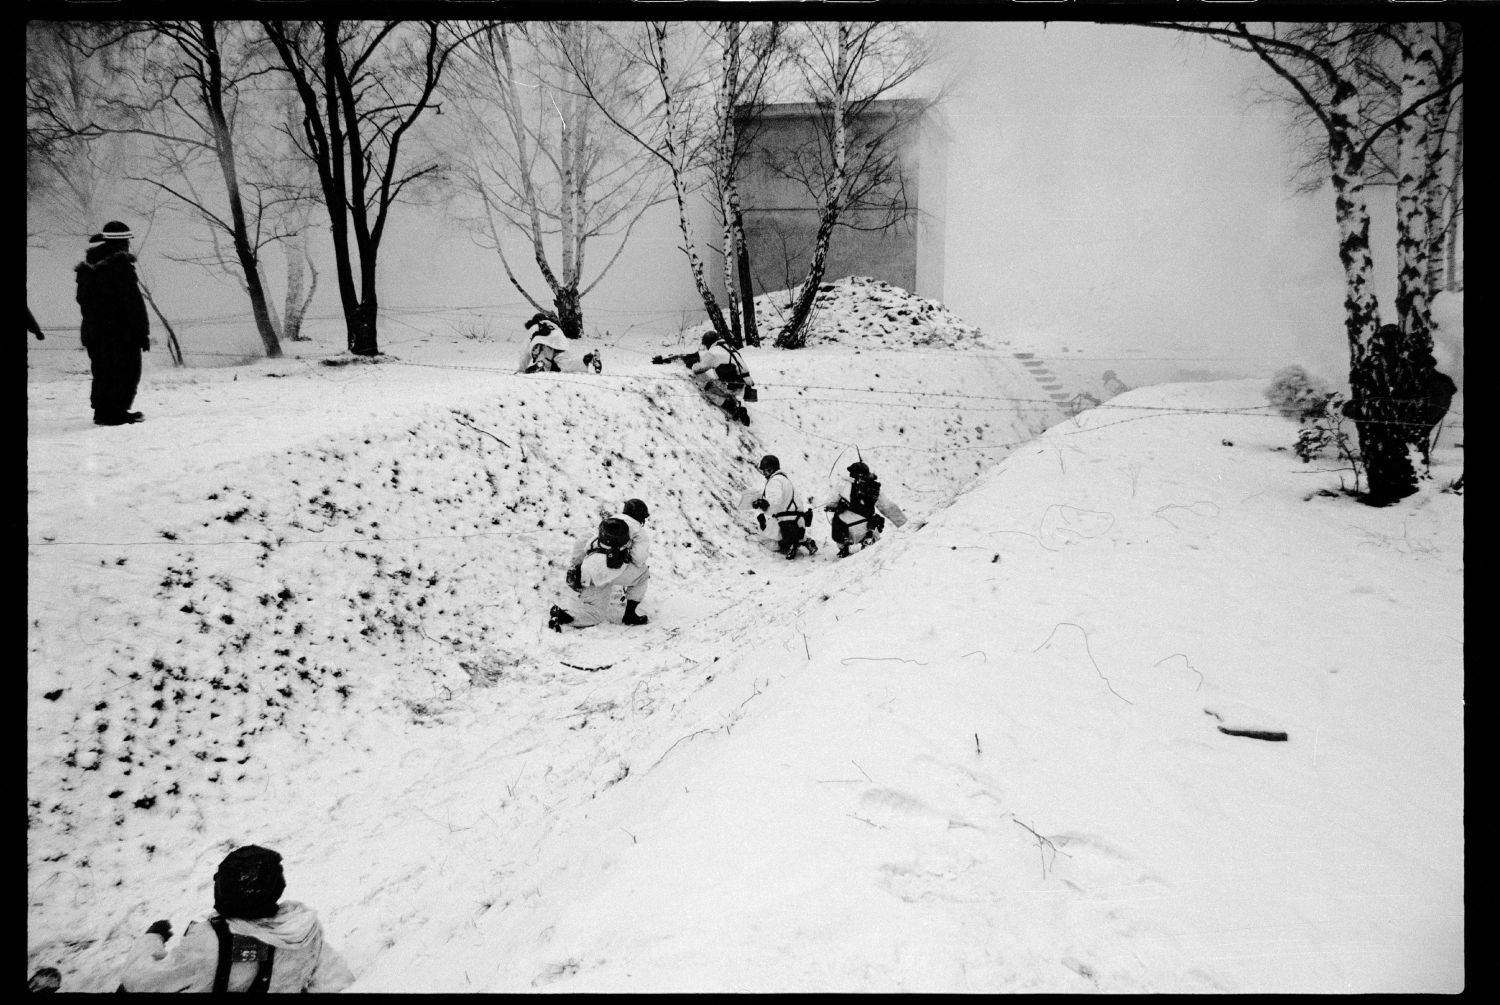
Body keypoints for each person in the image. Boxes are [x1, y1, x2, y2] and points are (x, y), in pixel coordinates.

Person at [116, 844, 354, 993]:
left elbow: (140, 980)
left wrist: (152, 937)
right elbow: (336, 981)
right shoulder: (304, 930)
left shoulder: (208, 943)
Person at [75, 221, 150, 426]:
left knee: (103, 372)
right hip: (120, 333)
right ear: (122, 243)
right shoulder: (120, 267)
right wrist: (142, 333)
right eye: (127, 241)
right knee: (126, 371)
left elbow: (82, 301)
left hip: (94, 331)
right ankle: (115, 413)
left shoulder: (87, 269)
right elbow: (133, 304)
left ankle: (103, 412)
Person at [550, 516, 650, 630]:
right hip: (609, 572)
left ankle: (564, 616)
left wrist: (575, 566)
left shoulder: (607, 523)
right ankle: (630, 615)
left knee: (596, 613)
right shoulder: (638, 532)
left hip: (588, 571)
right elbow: (638, 559)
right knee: (643, 574)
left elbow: (583, 541)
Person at [825, 460, 908, 557]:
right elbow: (888, 507)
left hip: (844, 531)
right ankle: (866, 542)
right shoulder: (873, 488)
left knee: (836, 519)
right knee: (876, 519)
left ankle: (845, 547)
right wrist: (905, 525)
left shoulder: (842, 483)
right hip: (865, 530)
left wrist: (841, 506)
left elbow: (830, 504)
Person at [752, 455, 815, 559]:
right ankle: (804, 540)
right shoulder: (786, 480)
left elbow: (774, 504)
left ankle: (789, 545)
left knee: (765, 539)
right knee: (785, 532)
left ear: (770, 469)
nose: (763, 474)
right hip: (799, 520)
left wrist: (761, 505)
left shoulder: (774, 481)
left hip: (785, 521)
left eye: (764, 470)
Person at [689, 333, 753, 425]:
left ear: (708, 343)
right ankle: (733, 402)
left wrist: (693, 364)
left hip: (731, 386)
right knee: (720, 381)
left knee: (707, 389)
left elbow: (698, 369)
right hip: (744, 384)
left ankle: (730, 407)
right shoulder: (729, 347)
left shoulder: (713, 352)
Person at [517, 313, 600, 374]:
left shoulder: (534, 326)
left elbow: (525, 352)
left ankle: (541, 364)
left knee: (546, 365)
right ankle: (587, 361)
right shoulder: (553, 325)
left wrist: (521, 369)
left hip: (543, 345)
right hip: (560, 344)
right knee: (565, 364)